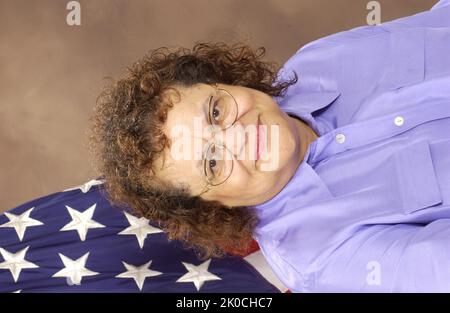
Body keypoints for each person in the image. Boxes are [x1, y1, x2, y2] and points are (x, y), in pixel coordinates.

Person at [88, 0, 450, 292]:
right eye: (212, 162)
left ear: (226, 81)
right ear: (215, 208)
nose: (236, 136)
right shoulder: (321, 258)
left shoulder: (315, 62)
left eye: (216, 111)